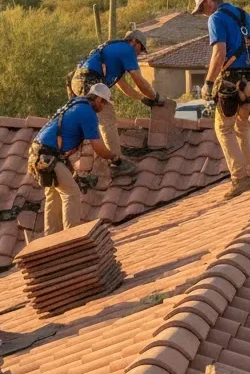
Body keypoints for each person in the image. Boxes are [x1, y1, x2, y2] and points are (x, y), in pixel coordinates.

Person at [192, 0, 250, 199]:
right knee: (243, 125)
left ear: (208, 2)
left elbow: (219, 53)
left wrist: (209, 83)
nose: (204, 13)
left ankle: (240, 179)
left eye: (202, 9)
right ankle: (248, 172)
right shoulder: (243, 14)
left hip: (232, 79)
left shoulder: (215, 18)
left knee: (223, 128)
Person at [68, 29, 162, 177]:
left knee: (87, 121)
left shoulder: (115, 53)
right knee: (107, 115)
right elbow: (138, 79)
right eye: (141, 48)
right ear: (134, 42)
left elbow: (123, 85)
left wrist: (143, 99)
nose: (140, 53)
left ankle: (78, 160)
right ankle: (116, 163)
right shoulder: (126, 49)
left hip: (78, 82)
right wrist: (156, 98)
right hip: (88, 81)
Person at [28, 84, 117, 234]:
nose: (103, 107)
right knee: (72, 193)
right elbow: (98, 146)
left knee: (54, 195)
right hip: (48, 157)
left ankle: (51, 239)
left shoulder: (76, 105)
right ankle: (70, 238)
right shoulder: (87, 112)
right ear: (98, 99)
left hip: (38, 155)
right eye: (103, 103)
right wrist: (115, 158)